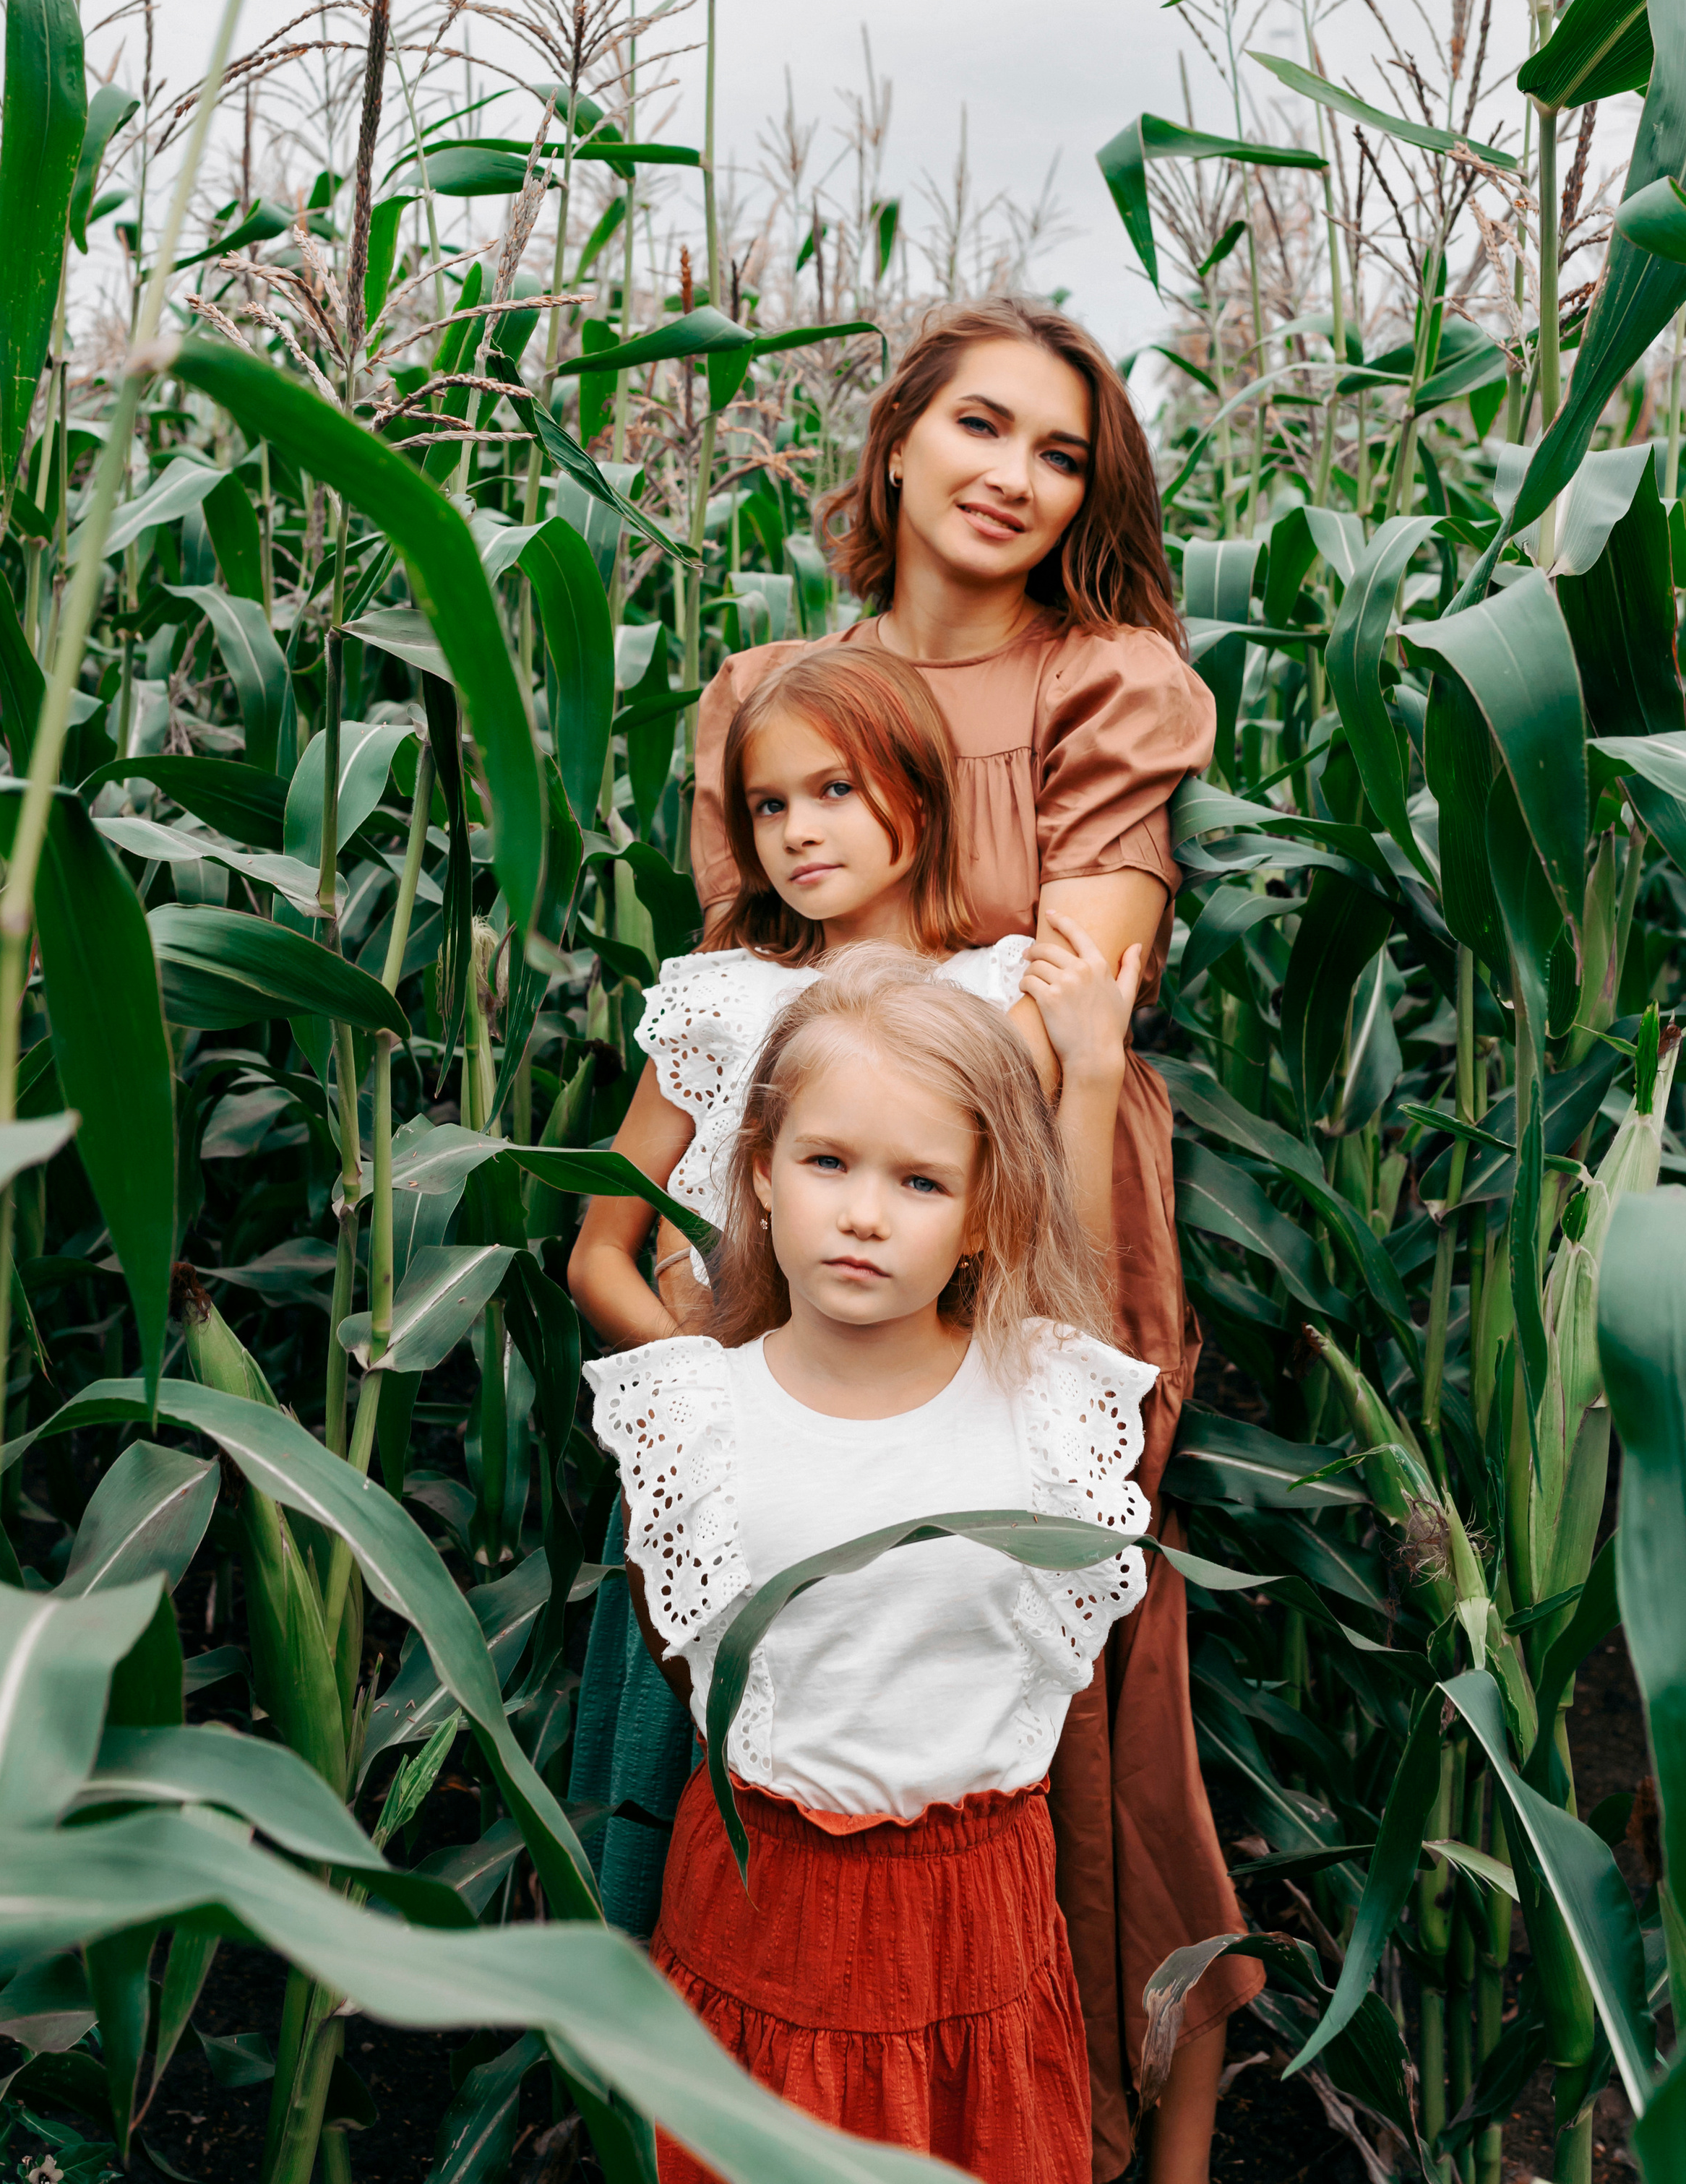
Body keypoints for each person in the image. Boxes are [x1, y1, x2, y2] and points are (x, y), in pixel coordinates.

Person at [688, 293, 1256, 2182]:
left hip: (1048, 1204)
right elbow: (734, 995)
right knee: (841, 1647)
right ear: (900, 439)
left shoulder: (1112, 684)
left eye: (1063, 452)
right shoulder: (768, 692)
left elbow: (1075, 1004)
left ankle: (1133, 2123)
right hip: (817, 1211)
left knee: (1077, 1647)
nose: (1017, 476)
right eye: (984, 427)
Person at [567, 647, 1133, 1930]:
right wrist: (708, 1403)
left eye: (834, 790)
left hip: (922, 1492)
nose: (797, 831)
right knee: (687, 1832)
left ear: (918, 798)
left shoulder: (998, 997)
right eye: (767, 806)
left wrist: (1092, 1075)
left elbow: (1054, 1289)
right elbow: (597, 1251)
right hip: (737, 1494)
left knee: (884, 1847)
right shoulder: (716, 1004)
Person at [585, 950, 1156, 2184]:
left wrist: (1096, 1068)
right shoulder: (691, 1413)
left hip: (979, 1920)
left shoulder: (1046, 1407)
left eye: (921, 1180)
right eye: (828, 1162)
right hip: (764, 1905)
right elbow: (686, 1654)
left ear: (984, 1216)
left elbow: (1087, 1340)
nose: (862, 1212)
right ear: (761, 1177)